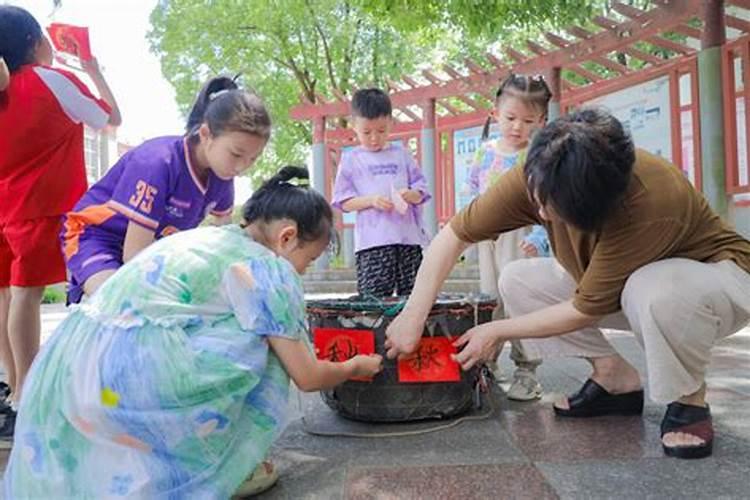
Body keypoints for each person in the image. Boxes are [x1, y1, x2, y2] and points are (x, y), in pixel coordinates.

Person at [385, 108, 750, 460]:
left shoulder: (648, 200)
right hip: (627, 287)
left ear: (597, 203)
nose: (540, 212)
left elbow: (583, 309)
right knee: (519, 279)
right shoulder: (544, 170)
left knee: (654, 288)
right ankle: (614, 378)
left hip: (717, 281)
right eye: (537, 199)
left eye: (553, 207)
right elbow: (454, 235)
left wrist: (495, 331)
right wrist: (413, 314)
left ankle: (690, 399)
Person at [4, 166, 384, 497]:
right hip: (125, 387)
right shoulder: (268, 268)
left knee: (256, 328)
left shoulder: (206, 238)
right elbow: (307, 375)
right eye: (309, 258)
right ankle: (228, 466)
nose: (302, 271)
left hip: (73, 375)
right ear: (286, 238)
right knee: (270, 347)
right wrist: (355, 367)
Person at [0, 5, 120, 441]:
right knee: (26, 298)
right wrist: (91, 67)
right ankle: (24, 398)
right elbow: (109, 119)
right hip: (40, 207)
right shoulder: (49, 80)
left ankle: (12, 386)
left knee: (8, 297)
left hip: (3, 209)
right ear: (36, 43)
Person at [61, 75, 270, 304]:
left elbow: (226, 247)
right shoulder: (158, 162)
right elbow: (135, 257)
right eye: (236, 154)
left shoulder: (223, 177)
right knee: (120, 303)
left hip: (152, 250)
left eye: (252, 159)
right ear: (205, 134)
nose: (242, 167)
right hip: (96, 236)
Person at [466, 74, 552, 401]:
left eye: (528, 121)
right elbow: (472, 191)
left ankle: (527, 370)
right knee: (491, 300)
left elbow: (549, 201)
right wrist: (470, 228)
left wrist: (541, 239)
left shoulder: (539, 156)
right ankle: (488, 360)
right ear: (495, 114)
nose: (518, 127)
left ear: (541, 121)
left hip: (523, 236)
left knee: (521, 301)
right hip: (490, 236)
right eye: (511, 118)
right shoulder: (484, 152)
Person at [332, 88, 430, 298]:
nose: (375, 138)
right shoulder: (351, 159)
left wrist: (410, 194)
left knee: (413, 297)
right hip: (372, 242)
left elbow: (421, 191)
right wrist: (371, 201)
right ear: (354, 126)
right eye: (367, 132)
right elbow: (344, 202)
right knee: (373, 300)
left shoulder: (402, 154)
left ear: (391, 123)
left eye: (381, 130)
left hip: (408, 240)